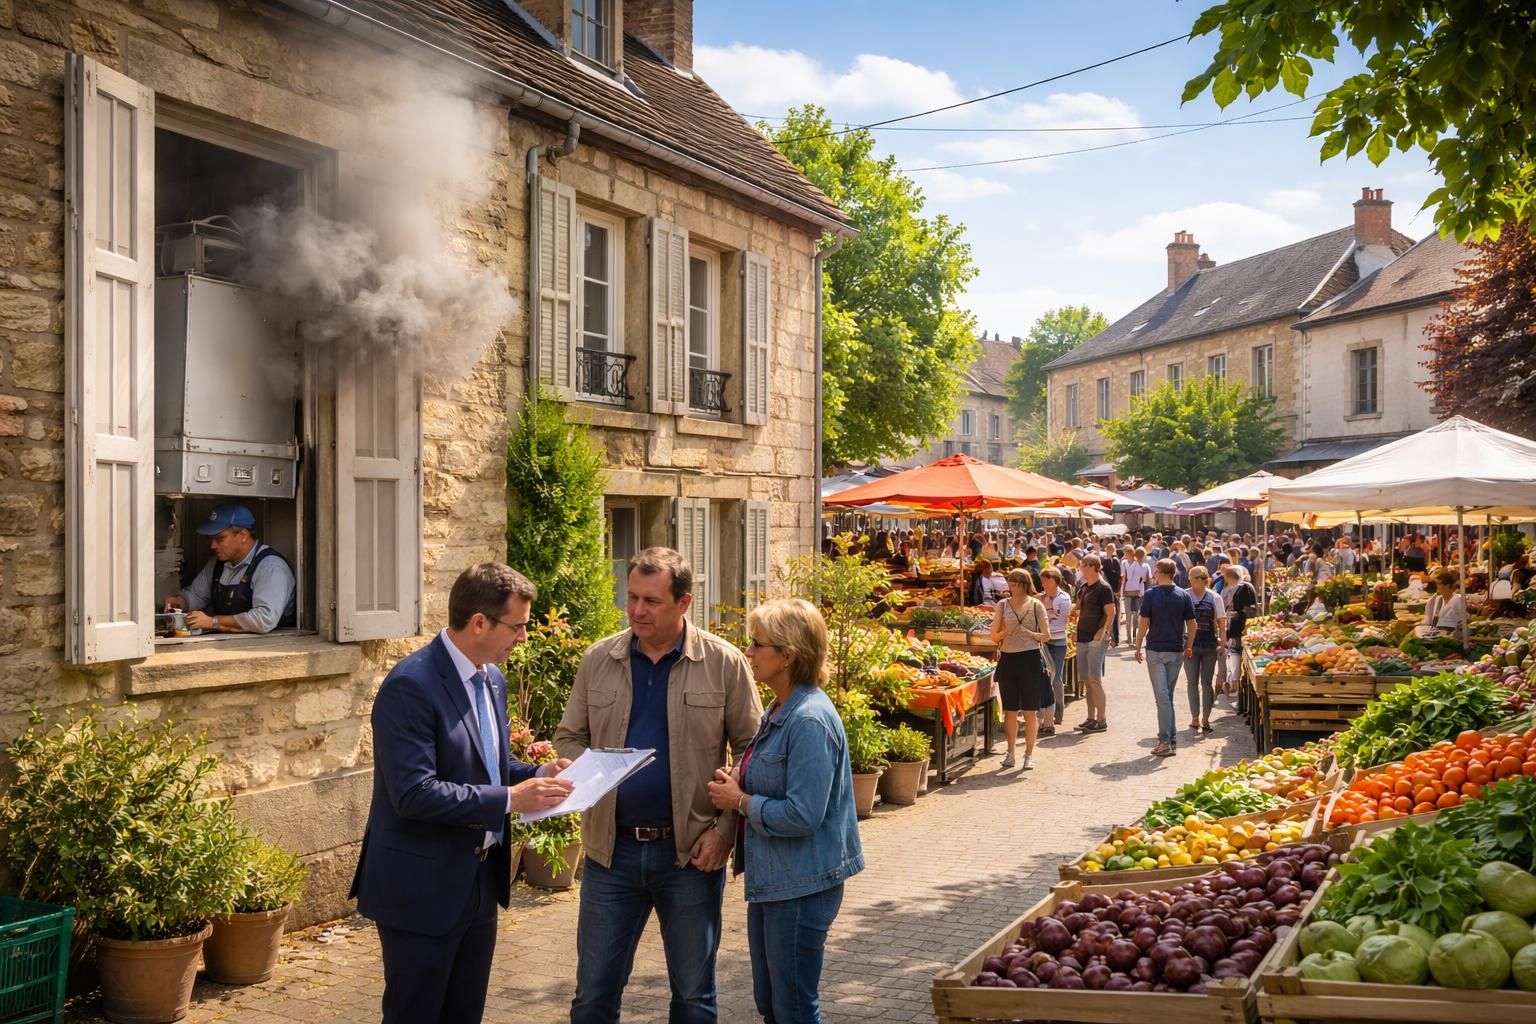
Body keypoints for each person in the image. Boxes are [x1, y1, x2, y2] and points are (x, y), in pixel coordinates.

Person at [351, 563, 577, 1024]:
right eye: (518, 626)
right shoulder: (410, 686)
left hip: (478, 881)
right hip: (421, 889)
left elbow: (487, 765)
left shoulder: (490, 676)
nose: (523, 637)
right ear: (479, 622)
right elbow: (414, 793)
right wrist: (512, 799)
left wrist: (537, 772)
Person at [556, 548, 763, 1024]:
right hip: (611, 855)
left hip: (691, 855)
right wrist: (581, 771)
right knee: (593, 997)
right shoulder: (598, 659)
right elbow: (570, 734)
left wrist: (726, 831)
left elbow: (754, 753)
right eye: (631, 598)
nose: (636, 611)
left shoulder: (724, 663)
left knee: (693, 999)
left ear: (684, 601)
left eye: (651, 600)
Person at [704, 599, 863, 1024]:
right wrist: (739, 777)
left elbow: (803, 814)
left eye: (758, 645)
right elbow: (773, 775)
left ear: (789, 655)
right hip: (777, 881)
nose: (749, 653)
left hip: (802, 885)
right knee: (772, 1002)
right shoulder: (779, 708)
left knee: (792, 1006)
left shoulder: (808, 719)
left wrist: (739, 800)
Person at [165, 503, 297, 634]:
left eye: (220, 538)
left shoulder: (271, 566)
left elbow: (264, 619)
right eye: (211, 539)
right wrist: (179, 602)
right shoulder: (216, 564)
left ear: (243, 536)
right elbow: (197, 596)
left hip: (269, 646)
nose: (213, 546)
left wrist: (214, 622)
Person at [989, 569, 1053, 769]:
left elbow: (1046, 635)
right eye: (1010, 581)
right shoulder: (1002, 605)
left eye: (1014, 581)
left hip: (1030, 660)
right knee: (1009, 711)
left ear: (1023, 583)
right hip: (1008, 660)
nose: (1010, 585)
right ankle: (1010, 753)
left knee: (1029, 711)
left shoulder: (1036, 605)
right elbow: (993, 636)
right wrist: (1005, 632)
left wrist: (1029, 633)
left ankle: (1028, 754)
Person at [1135, 558, 1196, 759]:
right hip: (1176, 650)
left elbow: (1144, 622)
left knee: (1162, 697)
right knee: (1166, 696)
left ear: (1161, 572)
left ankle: (1164, 741)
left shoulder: (1151, 594)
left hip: (1156, 649)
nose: (1153, 572)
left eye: (1155, 570)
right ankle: (1171, 738)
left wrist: (1138, 646)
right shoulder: (1183, 595)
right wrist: (1189, 645)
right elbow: (1192, 625)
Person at [1069, 554, 1116, 734]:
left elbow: (1111, 612)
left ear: (1091, 566)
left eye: (1082, 565)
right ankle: (1090, 717)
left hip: (1096, 638)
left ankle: (1101, 719)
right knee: (1087, 680)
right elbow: (1079, 607)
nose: (1080, 568)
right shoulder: (1083, 587)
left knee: (1095, 679)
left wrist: (1102, 632)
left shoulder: (1104, 588)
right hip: (1082, 636)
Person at [1182, 566, 1226, 734]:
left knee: (1204, 684)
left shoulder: (1214, 597)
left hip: (1207, 645)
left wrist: (1222, 644)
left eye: (1201, 578)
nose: (1198, 581)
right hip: (1191, 645)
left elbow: (1221, 623)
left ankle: (1204, 718)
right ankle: (1196, 717)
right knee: (1193, 683)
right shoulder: (1185, 595)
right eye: (1195, 578)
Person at [1038, 567, 1072, 735]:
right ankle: (1044, 714)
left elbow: (1061, 620)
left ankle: (1058, 713)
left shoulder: (1063, 599)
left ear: (1054, 581)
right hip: (1044, 642)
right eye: (1042, 580)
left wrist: (1047, 613)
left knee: (1056, 677)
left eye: (1046, 580)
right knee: (1044, 677)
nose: (1043, 583)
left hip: (1058, 642)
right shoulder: (1041, 598)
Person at [1219, 564, 1258, 697]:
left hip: (1237, 627)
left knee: (1234, 654)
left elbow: (1250, 609)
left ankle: (1234, 684)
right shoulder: (1246, 587)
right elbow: (1253, 608)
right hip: (1241, 627)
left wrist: (1237, 614)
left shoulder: (1240, 588)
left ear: (1228, 577)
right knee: (1235, 655)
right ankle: (1234, 683)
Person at [1423, 569, 1468, 636]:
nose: (1437, 587)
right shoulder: (1438, 599)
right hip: (1438, 633)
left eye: (1439, 584)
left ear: (1448, 585)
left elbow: (1465, 618)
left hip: (1452, 634)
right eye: (1437, 584)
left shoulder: (1457, 599)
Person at [1121, 546, 1150, 645]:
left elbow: (1126, 577)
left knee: (1130, 617)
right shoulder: (1145, 566)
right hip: (1139, 592)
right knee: (1137, 617)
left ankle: (1130, 638)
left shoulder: (1129, 564)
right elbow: (1147, 580)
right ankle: (1134, 637)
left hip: (1129, 592)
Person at [1100, 544, 1123, 646]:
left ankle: (1113, 638)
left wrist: (1117, 590)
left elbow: (1118, 576)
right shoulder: (1112, 561)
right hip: (1113, 592)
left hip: (1110, 591)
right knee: (1114, 615)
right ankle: (1114, 638)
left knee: (1111, 615)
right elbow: (1119, 576)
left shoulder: (1110, 561)